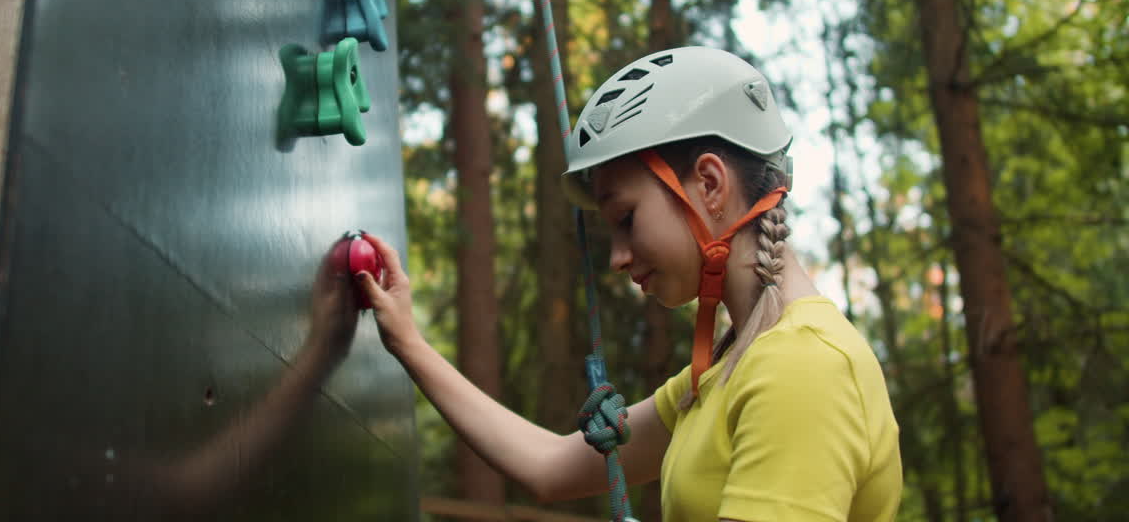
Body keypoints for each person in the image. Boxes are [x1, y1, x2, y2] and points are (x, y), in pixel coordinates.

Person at [355, 46, 903, 521]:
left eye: (626, 219)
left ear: (709, 184)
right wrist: (405, 339)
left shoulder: (801, 367)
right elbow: (549, 466)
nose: (617, 258)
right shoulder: (727, 368)